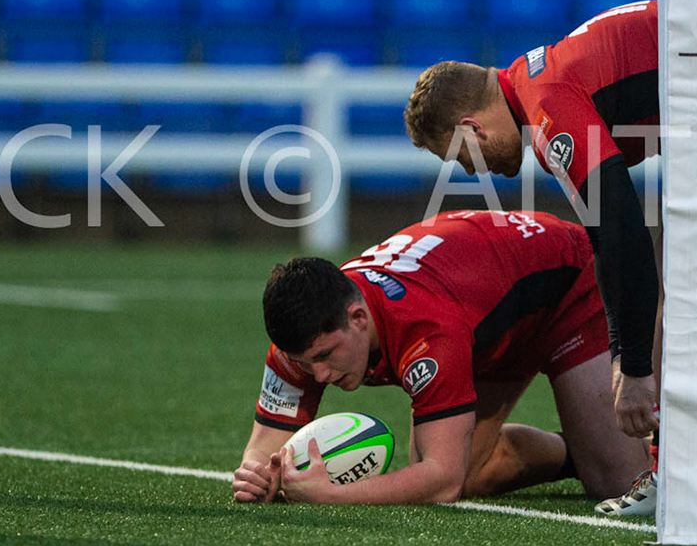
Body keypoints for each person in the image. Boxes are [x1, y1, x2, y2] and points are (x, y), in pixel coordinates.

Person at [404, 0, 661, 516]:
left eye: (460, 158)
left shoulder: (545, 106)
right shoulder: (536, 78)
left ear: (473, 129)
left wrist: (631, 368)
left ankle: (680, 472)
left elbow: (620, 229)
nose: (474, 173)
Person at [232, 210, 650, 507]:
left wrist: (332, 494)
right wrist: (257, 474)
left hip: (568, 284)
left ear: (357, 318)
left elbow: (440, 480)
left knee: (618, 481)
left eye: (325, 356)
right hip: (486, 317)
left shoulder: (424, 329)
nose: (318, 374)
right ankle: (579, 451)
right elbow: (263, 446)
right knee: (472, 474)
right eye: (305, 364)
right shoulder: (300, 341)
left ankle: (638, 445)